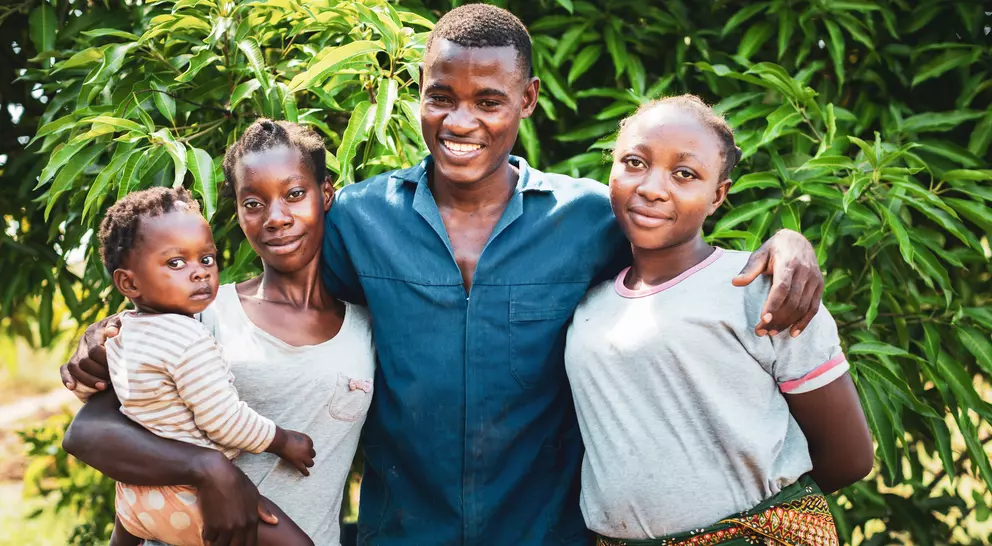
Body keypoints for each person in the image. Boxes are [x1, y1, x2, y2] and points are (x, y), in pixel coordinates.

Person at [63, 6, 825, 545]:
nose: (462, 122)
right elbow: (252, 293)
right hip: (403, 531)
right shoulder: (359, 219)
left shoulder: (590, 219)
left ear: (526, 101)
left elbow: (681, 257)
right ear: (420, 95)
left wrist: (788, 242)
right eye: (440, 98)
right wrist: (118, 333)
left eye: (490, 101)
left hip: (547, 533)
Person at [564, 95, 874, 546]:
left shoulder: (763, 290)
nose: (652, 187)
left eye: (685, 174)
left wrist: (740, 525)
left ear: (718, 195)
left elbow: (849, 456)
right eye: (634, 162)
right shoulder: (588, 300)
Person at [62, 120, 376, 546]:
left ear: (326, 193)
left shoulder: (369, 326)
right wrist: (209, 468)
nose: (276, 218)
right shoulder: (197, 312)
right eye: (253, 203)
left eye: (295, 194)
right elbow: (88, 433)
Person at [82, 186, 316, 546]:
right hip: (188, 495)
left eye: (206, 259)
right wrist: (283, 441)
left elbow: (91, 389)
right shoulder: (186, 338)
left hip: (134, 495)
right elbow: (222, 421)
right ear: (129, 282)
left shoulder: (121, 331)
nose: (199, 273)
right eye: (176, 263)